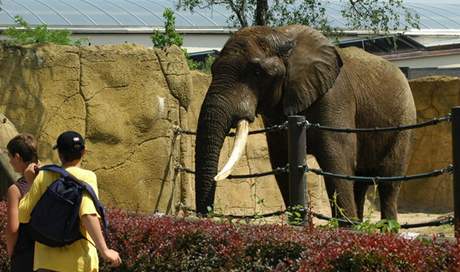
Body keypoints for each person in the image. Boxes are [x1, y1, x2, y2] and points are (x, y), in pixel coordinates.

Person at [19, 131, 121, 271]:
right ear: (84, 151)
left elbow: (23, 215)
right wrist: (104, 250)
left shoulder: (44, 174)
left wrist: (32, 182)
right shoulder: (87, 177)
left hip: (46, 263)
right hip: (78, 263)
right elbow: (87, 214)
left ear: (59, 153)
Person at [5, 133, 39, 272]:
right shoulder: (52, 179)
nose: (10, 161)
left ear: (17, 157)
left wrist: (11, 253)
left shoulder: (16, 190)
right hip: (51, 253)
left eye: (10, 157)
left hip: (26, 255)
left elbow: (13, 229)